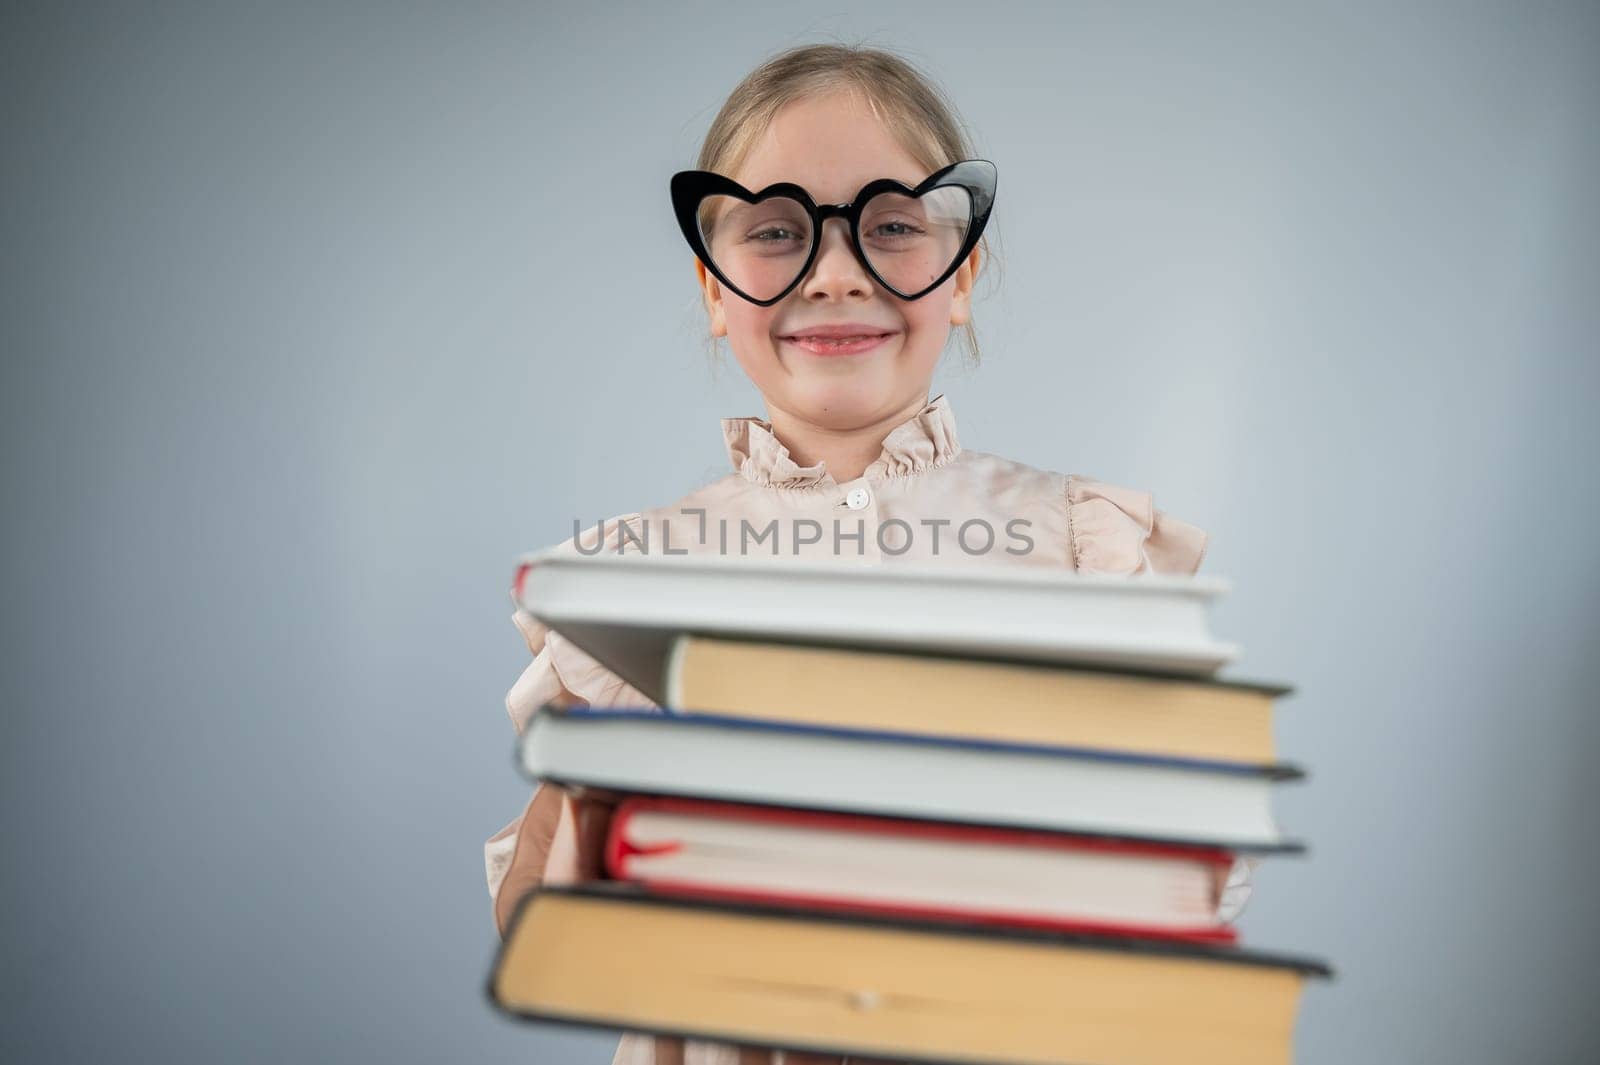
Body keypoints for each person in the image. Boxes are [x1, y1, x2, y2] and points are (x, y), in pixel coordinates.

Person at [485, 42, 1240, 1065]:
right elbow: (537, 917)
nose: (835, 275)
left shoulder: (1075, 545)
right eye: (776, 230)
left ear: (960, 272)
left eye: (890, 224)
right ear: (714, 290)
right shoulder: (642, 578)